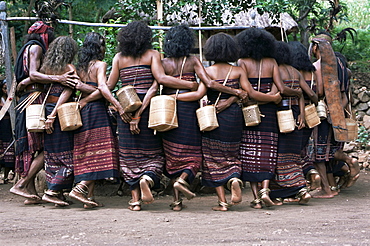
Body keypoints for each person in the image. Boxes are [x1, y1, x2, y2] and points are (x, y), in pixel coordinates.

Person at [98, 21, 201, 211]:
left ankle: (135, 200)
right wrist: (139, 113)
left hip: (125, 109)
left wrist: (119, 108)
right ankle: (147, 178)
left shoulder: (119, 58)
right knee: (152, 153)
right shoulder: (153, 55)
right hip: (146, 110)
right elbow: (156, 85)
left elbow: (107, 86)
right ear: (146, 38)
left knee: (129, 156)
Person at [160, 25, 248, 211]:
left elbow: (159, 82)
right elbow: (202, 90)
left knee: (174, 155)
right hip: (189, 112)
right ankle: (225, 179)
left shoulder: (163, 63)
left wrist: (170, 97)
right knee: (195, 153)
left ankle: (177, 202)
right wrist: (234, 93)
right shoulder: (194, 61)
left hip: (166, 111)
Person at [200, 33, 281, 211]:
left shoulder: (207, 72)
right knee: (233, 153)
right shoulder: (238, 71)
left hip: (213, 115)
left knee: (212, 156)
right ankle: (235, 178)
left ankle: (222, 202)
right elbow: (246, 94)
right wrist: (235, 97)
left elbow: (200, 93)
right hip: (235, 117)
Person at [10, 21, 78, 205]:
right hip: (39, 104)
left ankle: (34, 192)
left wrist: (24, 83)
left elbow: (32, 76)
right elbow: (34, 75)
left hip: (35, 104)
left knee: (39, 149)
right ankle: (25, 185)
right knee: (46, 150)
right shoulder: (37, 49)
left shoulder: (39, 59)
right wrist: (61, 79)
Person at [236, 28, 302, 209]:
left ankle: (257, 198)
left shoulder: (242, 62)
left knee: (250, 154)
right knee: (268, 151)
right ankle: (266, 189)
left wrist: (258, 97)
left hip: (250, 112)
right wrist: (272, 98)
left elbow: (248, 92)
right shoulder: (272, 62)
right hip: (270, 113)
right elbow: (279, 89)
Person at [69, 32, 119, 208]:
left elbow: (79, 87)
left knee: (87, 151)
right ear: (100, 47)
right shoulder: (100, 65)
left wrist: (83, 96)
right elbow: (103, 89)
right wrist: (114, 103)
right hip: (96, 110)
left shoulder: (79, 67)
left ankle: (88, 198)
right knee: (101, 151)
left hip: (82, 111)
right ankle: (80, 188)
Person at [268, 41, 314, 205]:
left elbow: (280, 91)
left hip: (282, 115)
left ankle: (296, 189)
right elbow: (302, 94)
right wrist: (301, 114)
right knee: (293, 156)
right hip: (296, 115)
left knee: (280, 157)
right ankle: (297, 190)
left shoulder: (277, 70)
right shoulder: (295, 71)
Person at [39, 36, 79, 207]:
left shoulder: (45, 68)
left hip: (46, 110)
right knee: (67, 156)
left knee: (52, 155)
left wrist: (48, 114)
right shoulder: (69, 68)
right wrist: (54, 115)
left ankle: (58, 194)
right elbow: (67, 92)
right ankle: (52, 191)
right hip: (59, 113)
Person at [288, 41, 321, 191]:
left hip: (297, 112)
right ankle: (312, 172)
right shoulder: (313, 72)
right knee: (306, 147)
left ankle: (304, 177)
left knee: (295, 149)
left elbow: (303, 92)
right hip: (312, 114)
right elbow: (319, 94)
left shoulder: (295, 72)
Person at [0, 79, 15, 184]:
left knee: (9, 152)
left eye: (8, 88)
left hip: (9, 128)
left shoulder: (13, 100)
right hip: (1, 128)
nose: (6, 90)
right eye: (4, 88)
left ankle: (7, 175)